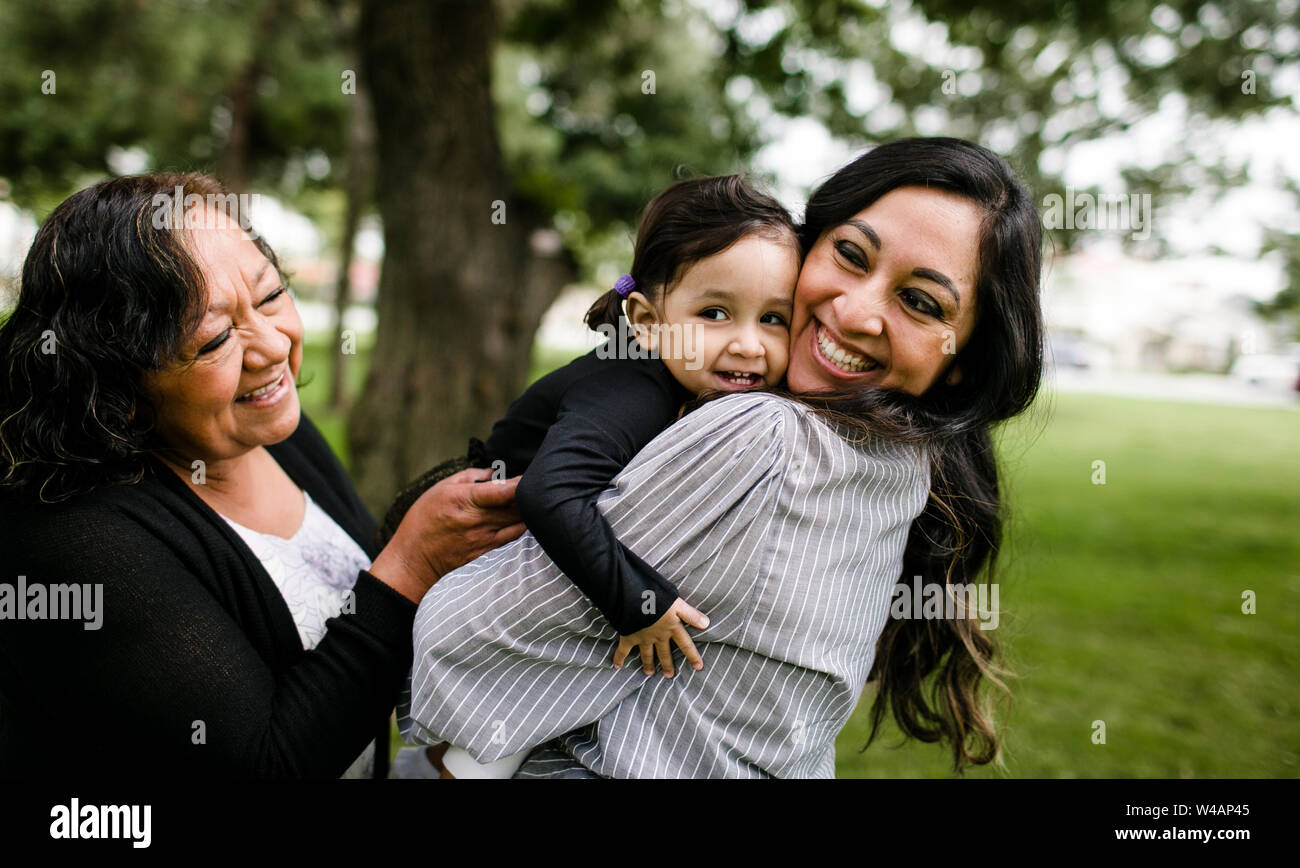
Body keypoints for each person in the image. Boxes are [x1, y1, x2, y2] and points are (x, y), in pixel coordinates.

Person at [398, 137, 1045, 777]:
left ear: (966, 360)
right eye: (851, 254)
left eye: (921, 301)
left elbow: (475, 633)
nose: (853, 313)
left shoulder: (766, 438)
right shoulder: (909, 469)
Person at [0, 173, 525, 777]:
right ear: (115, 382)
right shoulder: (68, 538)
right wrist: (409, 567)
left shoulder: (271, 430)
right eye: (216, 338)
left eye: (271, 295)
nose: (272, 346)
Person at [394, 175, 802, 778]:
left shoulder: (689, 377)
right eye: (714, 313)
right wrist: (640, 604)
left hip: (536, 549)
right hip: (480, 552)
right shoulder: (632, 390)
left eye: (775, 319)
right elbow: (549, 492)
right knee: (496, 747)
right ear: (644, 319)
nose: (749, 344)